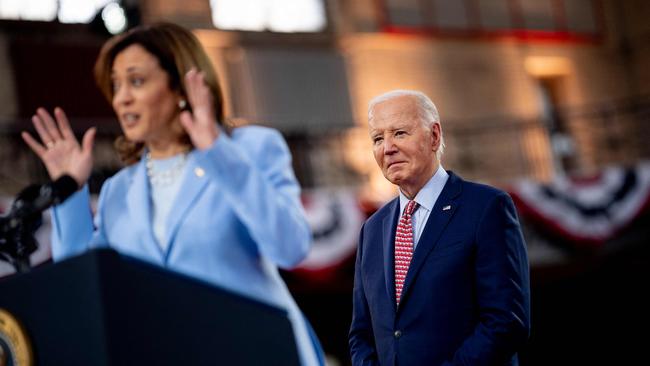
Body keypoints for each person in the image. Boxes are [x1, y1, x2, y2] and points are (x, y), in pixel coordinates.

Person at [21, 22, 322, 366]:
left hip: (258, 350)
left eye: (136, 81)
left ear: (182, 84)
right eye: (116, 85)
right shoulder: (119, 190)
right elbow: (81, 288)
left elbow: (291, 247)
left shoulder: (251, 148)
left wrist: (216, 152)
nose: (121, 98)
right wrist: (70, 191)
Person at [348, 90, 530, 365]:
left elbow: (506, 322)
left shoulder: (486, 207)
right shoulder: (372, 229)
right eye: (377, 138)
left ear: (434, 136)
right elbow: (361, 335)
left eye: (399, 133)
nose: (387, 148)